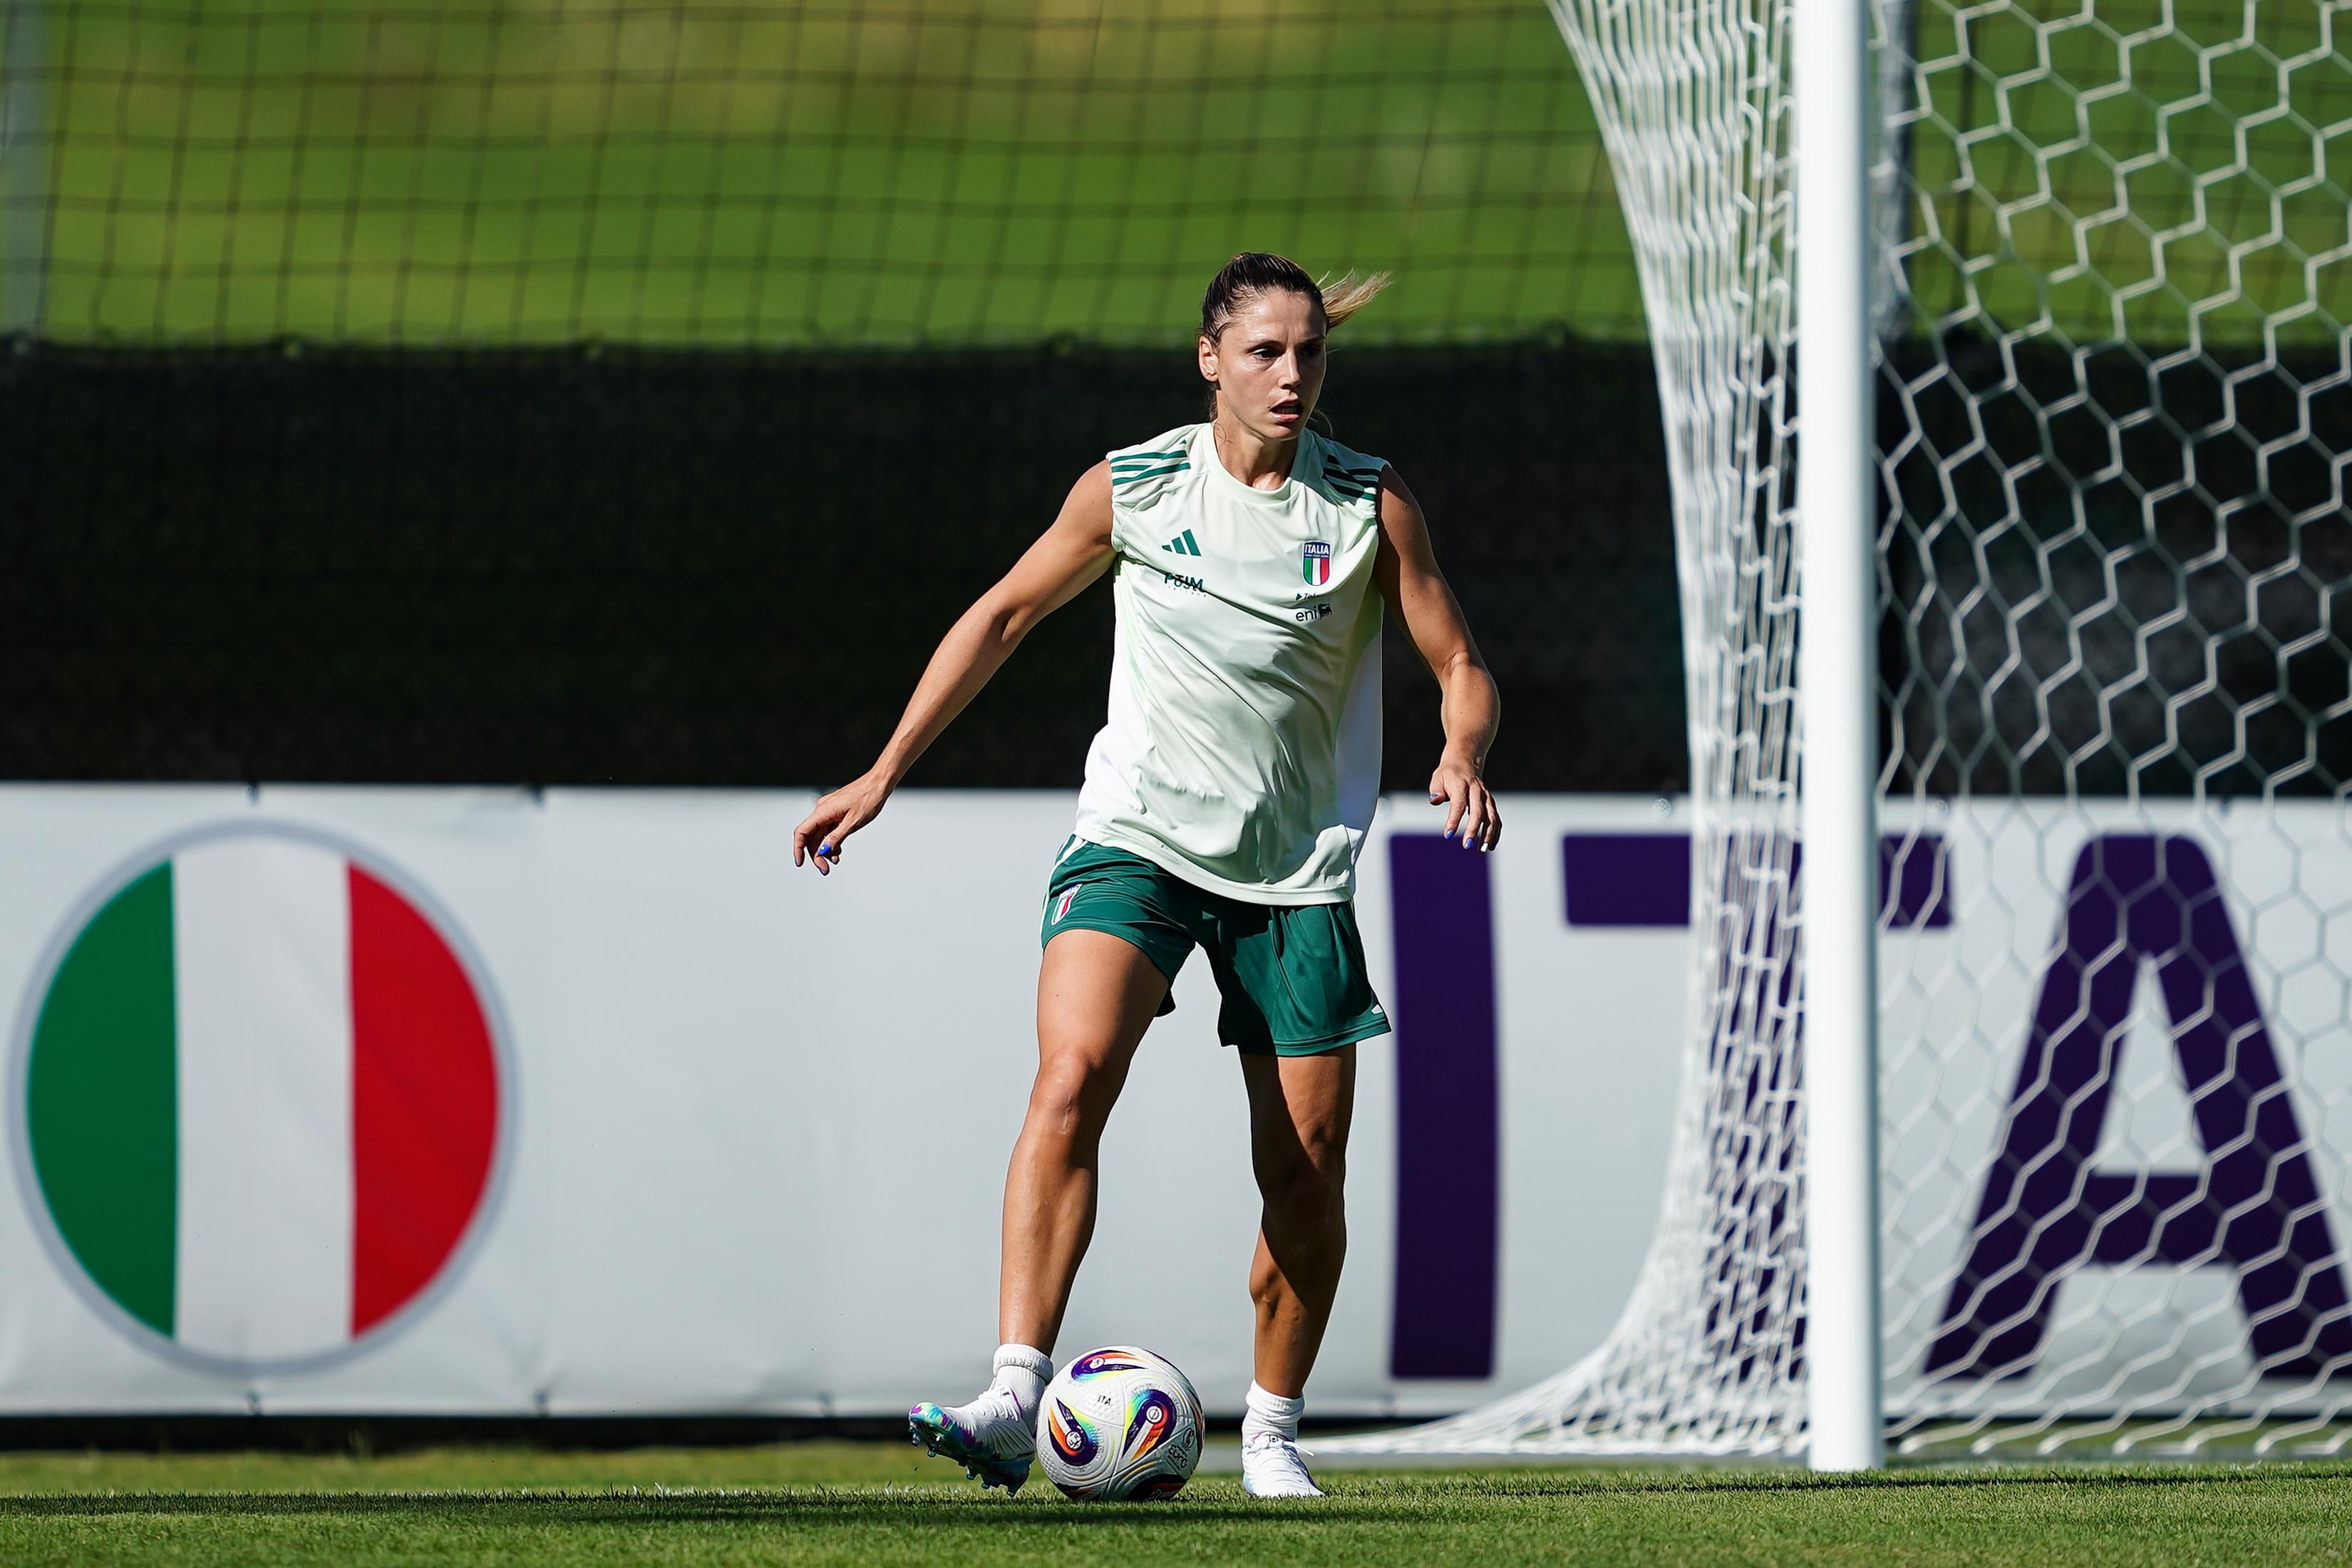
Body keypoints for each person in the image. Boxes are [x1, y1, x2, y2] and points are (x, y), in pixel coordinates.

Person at [792, 252, 1501, 1499]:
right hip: (1139, 837)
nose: (1292, 374)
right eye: (1266, 351)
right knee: (1072, 1069)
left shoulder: (1368, 505)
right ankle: (1016, 1393)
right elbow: (1006, 613)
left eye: (1309, 353)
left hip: (1295, 874)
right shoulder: (1135, 487)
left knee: (1306, 1169)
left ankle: (1272, 1436)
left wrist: (1460, 749)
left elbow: (1459, 661)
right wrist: (884, 766)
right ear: (1209, 360)